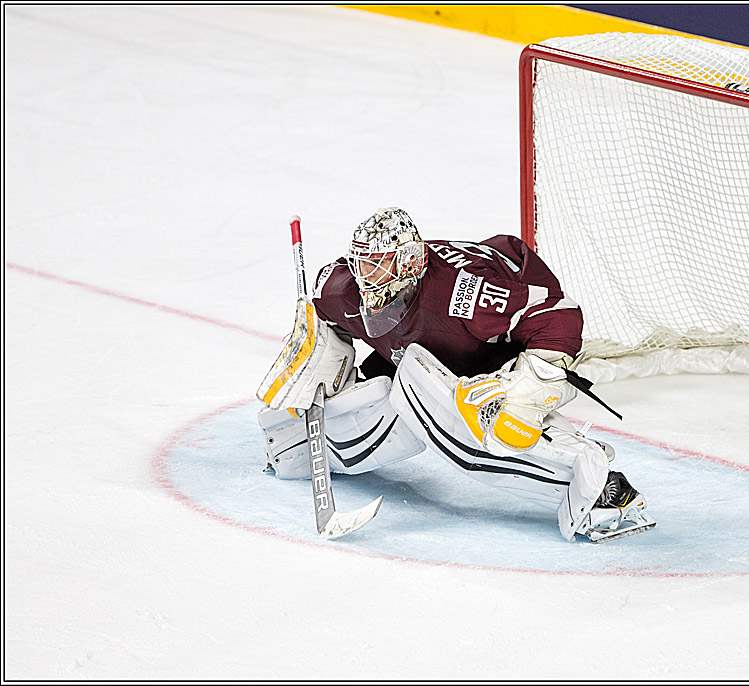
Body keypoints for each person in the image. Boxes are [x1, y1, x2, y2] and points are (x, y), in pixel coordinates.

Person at [256, 207, 654, 542]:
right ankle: (289, 449)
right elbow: (328, 316)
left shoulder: (463, 295)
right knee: (385, 394)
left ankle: (601, 490)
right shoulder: (342, 289)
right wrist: (317, 347)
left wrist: (532, 385)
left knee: (473, 418)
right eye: (364, 261)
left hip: (505, 347)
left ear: (412, 262)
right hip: (435, 346)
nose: (370, 275)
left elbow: (558, 314)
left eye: (383, 263)